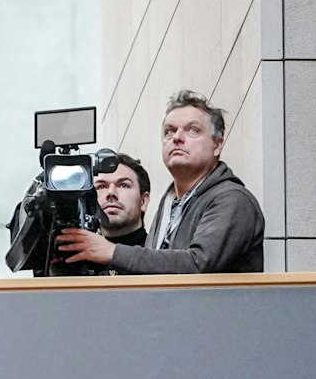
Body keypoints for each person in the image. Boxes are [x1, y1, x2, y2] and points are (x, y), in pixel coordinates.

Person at [58, 90, 264, 273]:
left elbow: (198, 264)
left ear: (217, 145)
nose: (177, 138)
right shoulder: (169, 203)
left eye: (192, 130)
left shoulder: (232, 200)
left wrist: (112, 252)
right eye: (169, 131)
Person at [97, 152, 153, 248]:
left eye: (123, 185)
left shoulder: (160, 257)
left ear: (143, 201)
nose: (111, 192)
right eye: (101, 186)